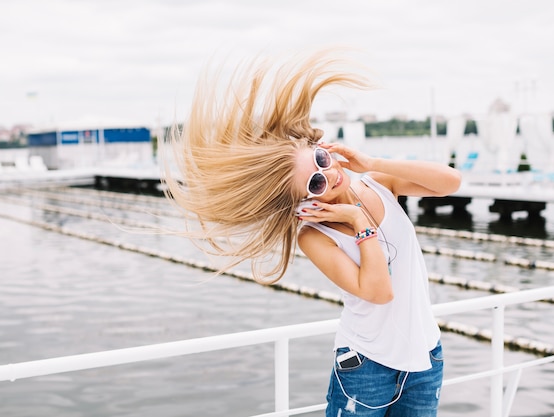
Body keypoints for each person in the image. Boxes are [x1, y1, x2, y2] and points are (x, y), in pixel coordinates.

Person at [162, 49, 461, 416]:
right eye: (316, 182)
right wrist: (358, 222)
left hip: (426, 355)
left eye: (322, 159)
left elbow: (451, 181)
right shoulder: (315, 236)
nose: (330, 174)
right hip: (367, 367)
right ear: (304, 201)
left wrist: (371, 162)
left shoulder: (379, 184)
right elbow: (379, 292)